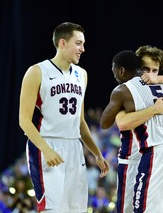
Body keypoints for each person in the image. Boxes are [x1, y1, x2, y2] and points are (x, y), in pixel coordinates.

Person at [19, 22, 110, 212]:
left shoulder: (82, 74)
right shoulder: (37, 71)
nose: (83, 49)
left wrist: (96, 153)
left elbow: (80, 121)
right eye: (78, 43)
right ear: (62, 43)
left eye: (83, 44)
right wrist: (45, 149)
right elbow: (24, 121)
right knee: (52, 209)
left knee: (75, 208)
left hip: (74, 148)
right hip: (47, 144)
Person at [101, 45, 163, 213]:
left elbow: (111, 123)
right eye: (146, 69)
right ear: (138, 66)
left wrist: (149, 106)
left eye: (154, 71)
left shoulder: (125, 90)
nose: (149, 74)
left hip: (153, 155)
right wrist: (154, 109)